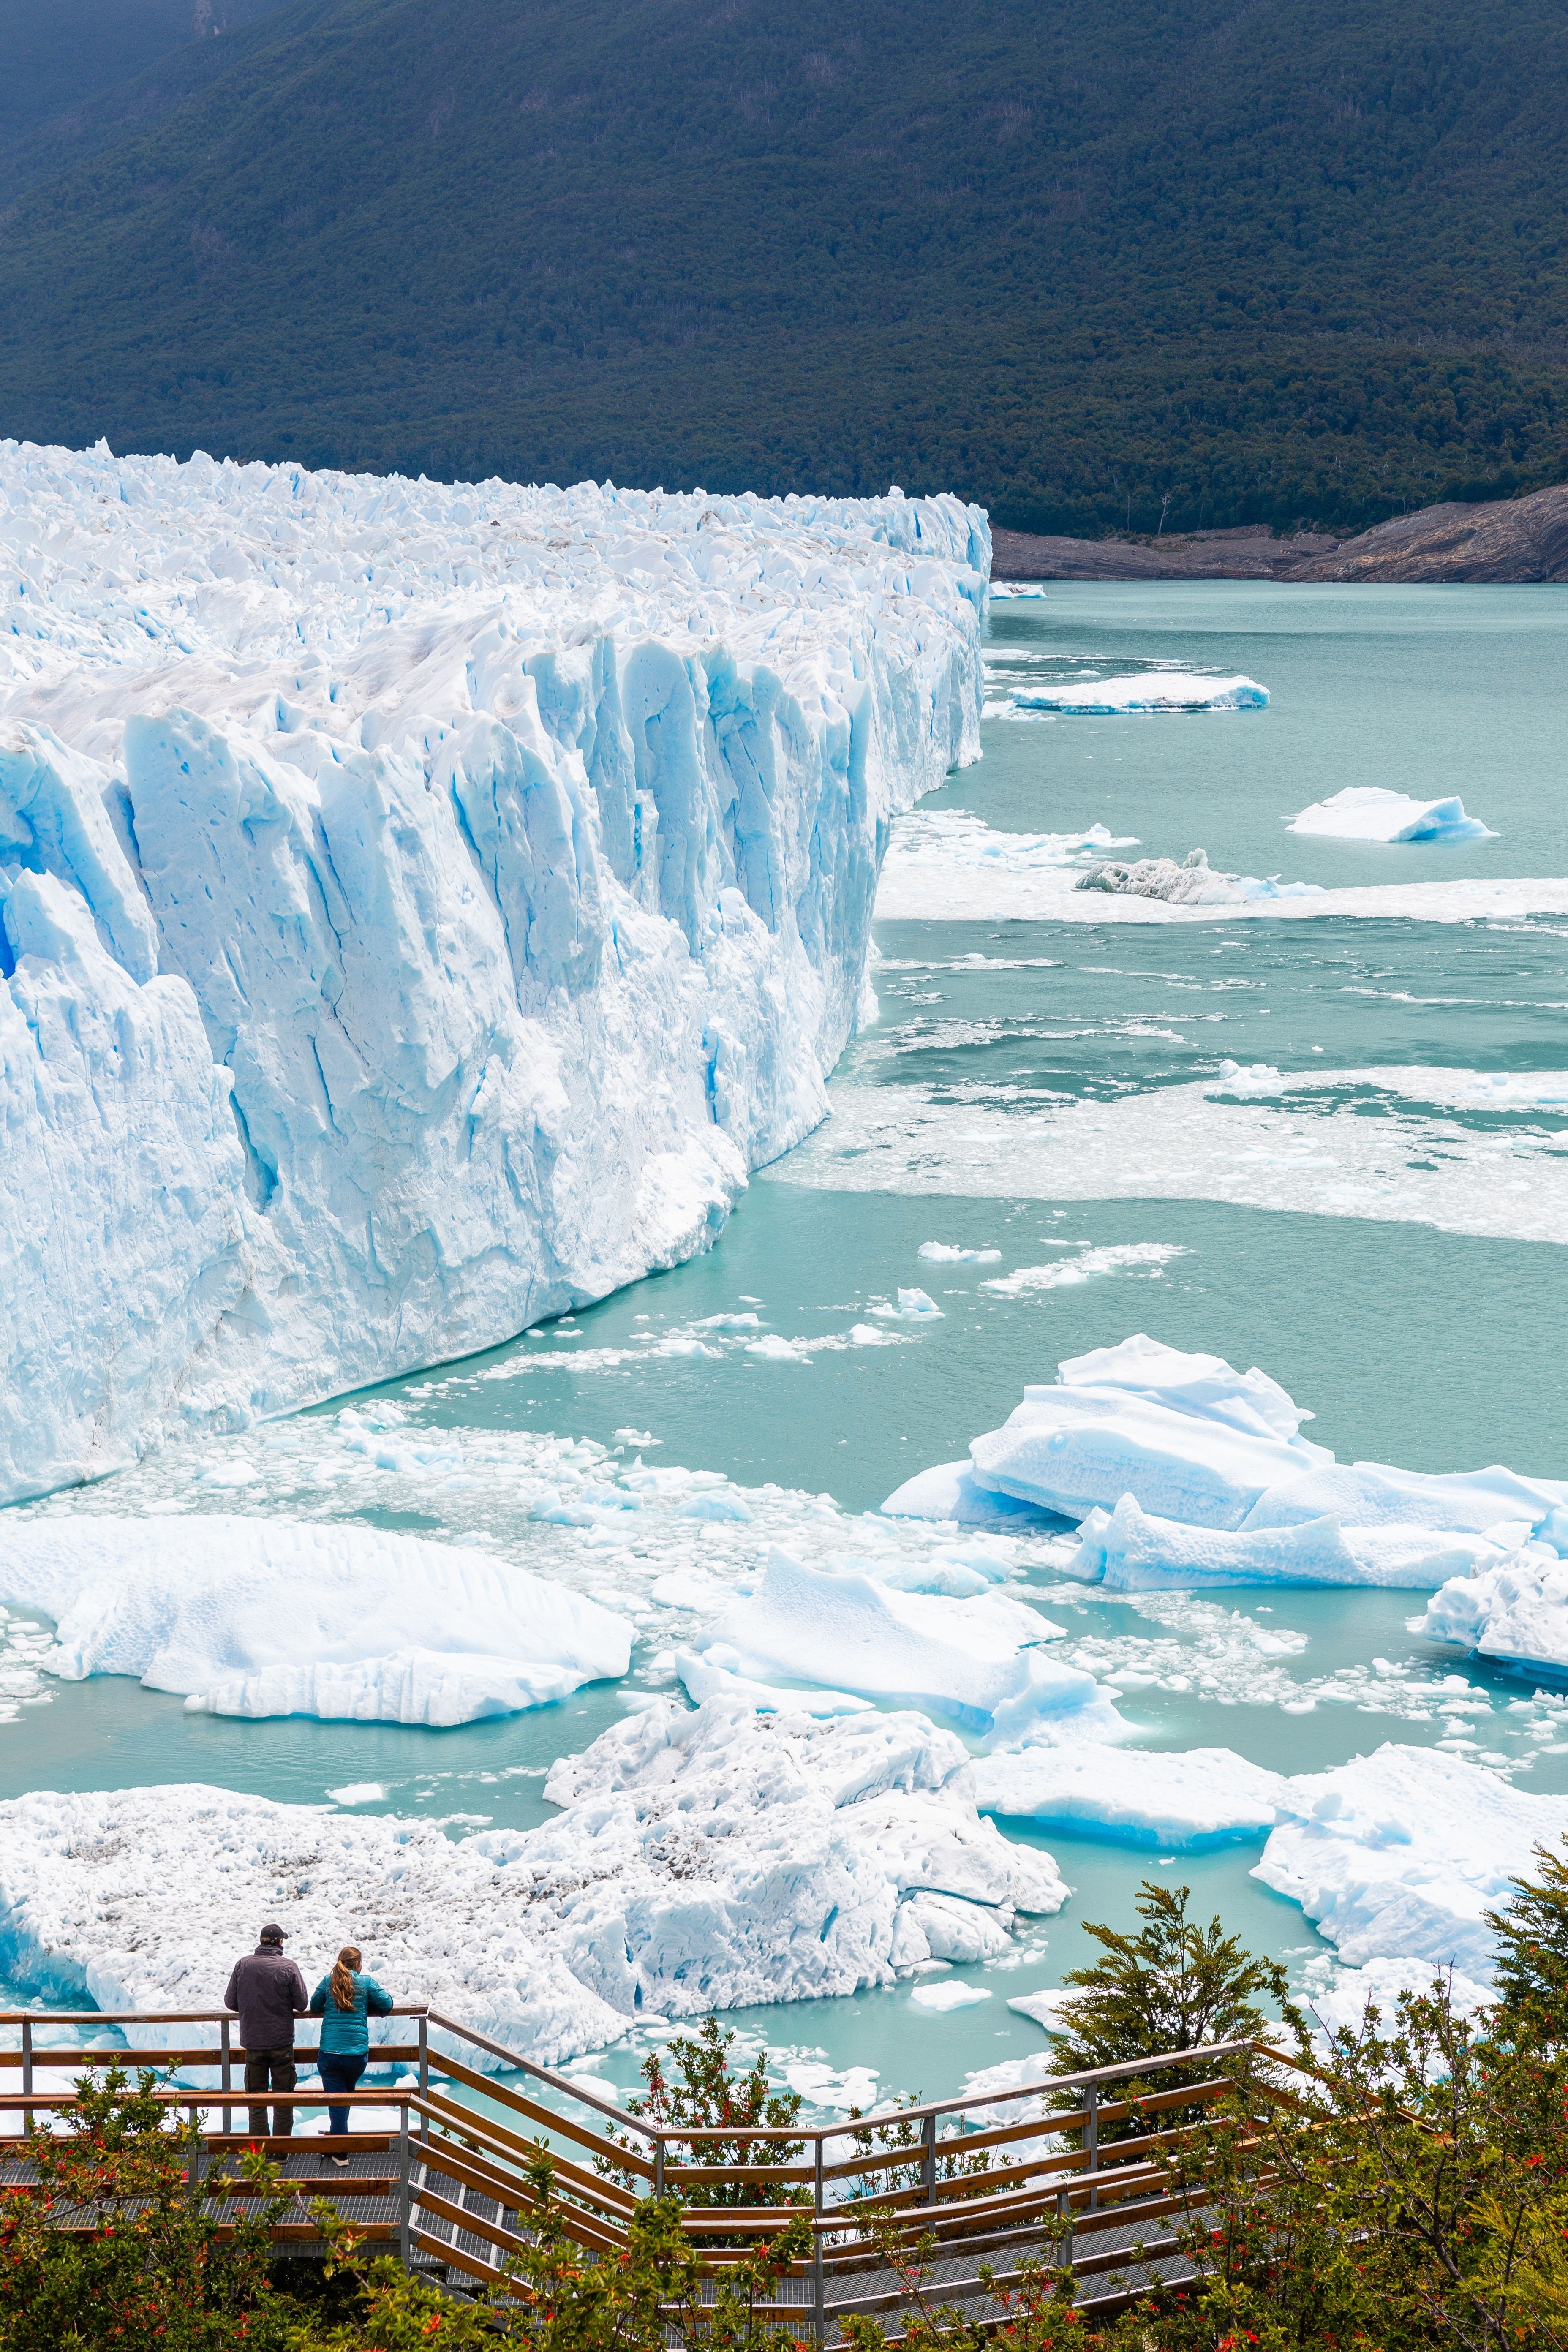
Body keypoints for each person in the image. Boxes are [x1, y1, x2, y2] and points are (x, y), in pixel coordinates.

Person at [309, 1944, 394, 2164]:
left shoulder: (329, 1982)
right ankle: (338, 2144)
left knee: (337, 2100)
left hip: (329, 2054)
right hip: (356, 2056)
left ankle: (340, 2150)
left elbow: (314, 2005)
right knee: (342, 2098)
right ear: (358, 1964)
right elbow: (387, 2004)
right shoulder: (366, 1983)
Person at [223, 1923, 308, 2138]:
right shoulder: (288, 1967)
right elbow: (302, 2003)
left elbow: (230, 2002)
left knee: (256, 2101)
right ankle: (281, 2151)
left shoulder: (243, 1965)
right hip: (281, 2043)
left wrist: (251, 2008)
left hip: (253, 2043)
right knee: (284, 2100)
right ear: (280, 1942)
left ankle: (259, 2150)